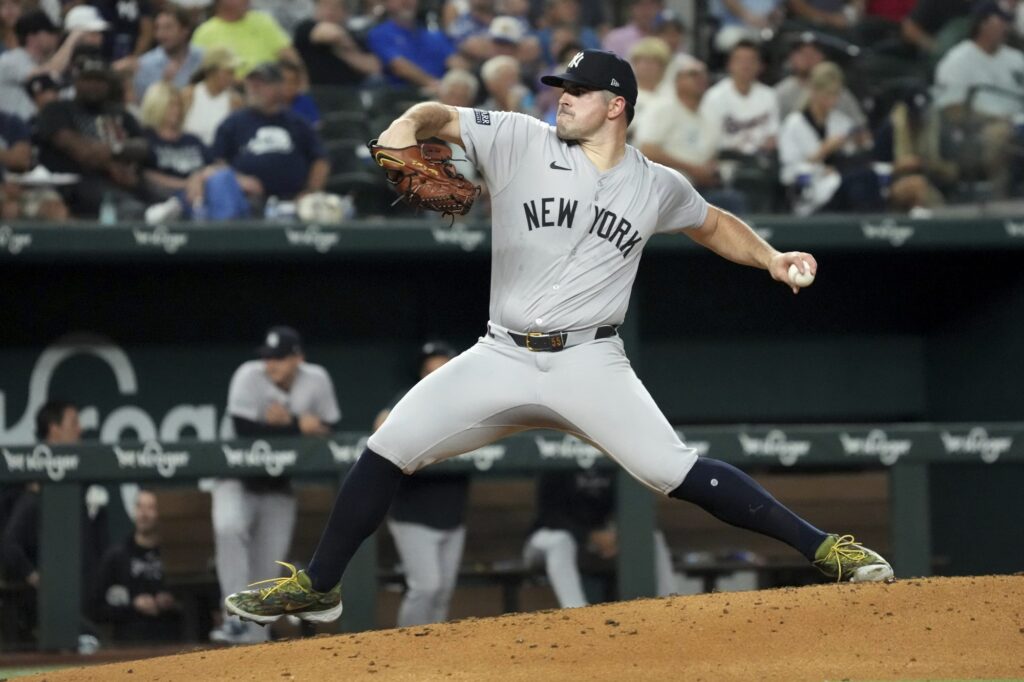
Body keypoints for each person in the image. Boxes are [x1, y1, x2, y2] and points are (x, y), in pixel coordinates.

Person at [223, 48, 893, 627]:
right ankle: (320, 587)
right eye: (562, 88)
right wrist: (403, 127)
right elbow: (436, 115)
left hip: (589, 360)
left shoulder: (654, 184)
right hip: (501, 354)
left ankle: (825, 549)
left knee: (674, 470)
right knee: (387, 447)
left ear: (617, 106)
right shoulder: (520, 138)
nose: (564, 98)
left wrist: (771, 257)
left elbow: (712, 222)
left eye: (579, 91)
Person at [211, 325, 341, 644]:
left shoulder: (316, 379)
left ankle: (255, 634)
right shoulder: (248, 375)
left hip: (278, 485)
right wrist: (296, 425)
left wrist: (286, 425)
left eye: (279, 358)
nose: (270, 364)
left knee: (268, 565)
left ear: (298, 358)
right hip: (235, 478)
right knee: (229, 528)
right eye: (268, 357)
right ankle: (234, 619)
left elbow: (330, 429)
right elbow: (244, 430)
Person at [377, 341, 471, 627]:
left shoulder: (469, 404)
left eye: (442, 369)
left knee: (442, 593)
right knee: (426, 587)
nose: (435, 376)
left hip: (453, 514)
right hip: (413, 513)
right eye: (429, 370)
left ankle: (435, 651)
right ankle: (407, 646)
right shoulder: (409, 399)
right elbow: (381, 426)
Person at [2, 400, 107, 649]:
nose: (80, 429)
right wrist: (34, 575)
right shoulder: (29, 477)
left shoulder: (84, 475)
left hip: (84, 589)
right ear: (54, 429)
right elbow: (9, 545)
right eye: (73, 423)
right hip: (43, 600)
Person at [187, 62, 329, 219]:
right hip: (244, 200)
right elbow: (216, 163)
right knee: (220, 185)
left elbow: (320, 160)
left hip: (291, 202)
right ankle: (227, 232)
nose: (254, 88)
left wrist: (310, 192)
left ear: (278, 87)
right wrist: (238, 179)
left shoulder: (298, 123)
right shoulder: (233, 123)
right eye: (251, 83)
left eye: (261, 84)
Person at [524, 468, 676, 607]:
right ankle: (575, 610)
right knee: (561, 540)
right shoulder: (557, 456)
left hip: (595, 543)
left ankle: (671, 605)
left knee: (651, 537)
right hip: (546, 539)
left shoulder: (612, 459)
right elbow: (549, 516)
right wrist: (588, 535)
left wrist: (617, 536)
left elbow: (629, 508)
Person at [34, 48, 151, 219]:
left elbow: (143, 147)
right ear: (76, 81)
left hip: (123, 180)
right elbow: (81, 151)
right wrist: (113, 164)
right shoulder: (58, 110)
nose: (94, 86)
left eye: (100, 80)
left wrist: (113, 152)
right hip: (74, 184)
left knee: (166, 203)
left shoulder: (120, 114)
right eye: (88, 79)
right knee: (130, 208)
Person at [634, 55, 748, 214]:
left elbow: (711, 155)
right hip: (661, 188)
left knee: (733, 200)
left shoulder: (710, 115)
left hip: (698, 188)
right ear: (677, 80)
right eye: (693, 74)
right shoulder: (661, 107)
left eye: (704, 74)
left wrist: (709, 171)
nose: (701, 78)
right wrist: (693, 169)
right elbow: (647, 150)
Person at [933, 1, 1023, 196]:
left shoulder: (1016, 59)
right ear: (983, 24)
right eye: (1001, 21)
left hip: (1018, 122)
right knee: (1000, 134)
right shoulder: (957, 60)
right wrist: (996, 120)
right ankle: (1002, 199)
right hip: (976, 132)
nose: (1006, 27)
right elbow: (952, 110)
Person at [778, 61, 882, 214]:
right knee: (859, 182)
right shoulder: (794, 124)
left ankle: (873, 225)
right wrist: (822, 153)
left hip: (841, 187)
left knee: (867, 178)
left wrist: (859, 145)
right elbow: (788, 173)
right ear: (814, 91)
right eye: (827, 94)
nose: (832, 100)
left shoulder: (842, 122)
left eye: (836, 94)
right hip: (811, 196)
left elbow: (852, 159)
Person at [93, 489, 182, 643]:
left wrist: (172, 602)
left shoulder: (177, 555)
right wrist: (133, 605)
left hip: (173, 641)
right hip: (129, 642)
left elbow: (196, 602)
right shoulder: (117, 557)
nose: (144, 514)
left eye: (151, 508)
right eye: (140, 507)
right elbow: (94, 608)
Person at [873, 86, 957, 211]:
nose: (918, 120)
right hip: (894, 185)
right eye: (914, 115)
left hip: (933, 185)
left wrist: (927, 164)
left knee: (922, 188)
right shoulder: (890, 128)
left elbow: (953, 171)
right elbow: (875, 169)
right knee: (917, 186)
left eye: (922, 114)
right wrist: (896, 167)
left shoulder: (940, 129)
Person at [137, 81, 211, 223]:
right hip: (164, 196)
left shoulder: (192, 140)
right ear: (157, 106)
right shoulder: (146, 138)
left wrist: (198, 178)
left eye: (179, 105)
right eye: (171, 105)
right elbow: (144, 174)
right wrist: (186, 184)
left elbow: (214, 165)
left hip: (202, 192)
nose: (176, 110)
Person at [0, 10, 86, 121]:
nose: (56, 37)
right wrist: (72, 39)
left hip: (33, 126)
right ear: (32, 37)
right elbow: (47, 75)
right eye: (50, 32)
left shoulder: (37, 63)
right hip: (11, 129)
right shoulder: (12, 60)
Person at [700, 40, 779, 158]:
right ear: (729, 65)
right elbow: (711, 139)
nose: (745, 65)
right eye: (740, 60)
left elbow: (773, 135)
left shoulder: (769, 95)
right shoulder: (713, 97)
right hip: (728, 158)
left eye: (751, 61)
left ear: (760, 66)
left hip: (761, 158)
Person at [190, 0, 302, 78]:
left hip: (269, 86)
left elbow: (290, 55)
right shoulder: (204, 33)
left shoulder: (263, 21)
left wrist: (300, 81)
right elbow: (199, 73)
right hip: (229, 90)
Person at [774, 32, 866, 126]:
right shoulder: (781, 92)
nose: (808, 58)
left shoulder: (839, 92)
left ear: (823, 57)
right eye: (802, 53)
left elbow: (861, 126)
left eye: (814, 53)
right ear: (791, 57)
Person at [367, 0, 460, 90]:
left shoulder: (433, 35)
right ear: (386, 3)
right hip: (409, 93)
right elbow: (400, 67)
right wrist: (435, 84)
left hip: (447, 90)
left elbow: (454, 61)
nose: (406, 1)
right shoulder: (380, 34)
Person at [292, 0, 380, 87]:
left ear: (345, 12)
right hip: (318, 90)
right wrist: (344, 42)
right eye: (325, 6)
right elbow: (331, 34)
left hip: (352, 90)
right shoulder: (306, 28)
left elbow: (374, 67)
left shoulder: (353, 35)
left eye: (336, 7)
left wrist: (344, 52)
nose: (330, 11)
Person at [133, 5, 205, 102]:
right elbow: (145, 106)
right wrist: (164, 83)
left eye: (168, 28)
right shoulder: (145, 64)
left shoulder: (203, 58)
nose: (161, 34)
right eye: (158, 28)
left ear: (185, 30)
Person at [181, 47, 243, 147]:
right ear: (211, 72)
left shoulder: (235, 101)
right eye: (228, 72)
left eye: (233, 72)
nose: (232, 77)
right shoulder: (188, 95)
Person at [89, 0, 155, 64]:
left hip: (133, 56)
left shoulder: (142, 3)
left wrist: (133, 58)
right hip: (102, 55)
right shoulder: (100, 3)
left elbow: (147, 33)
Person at [279, 59, 321, 129]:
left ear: (299, 83)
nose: (288, 86)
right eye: (283, 81)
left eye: (292, 82)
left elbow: (316, 124)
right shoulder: (270, 104)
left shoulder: (306, 102)